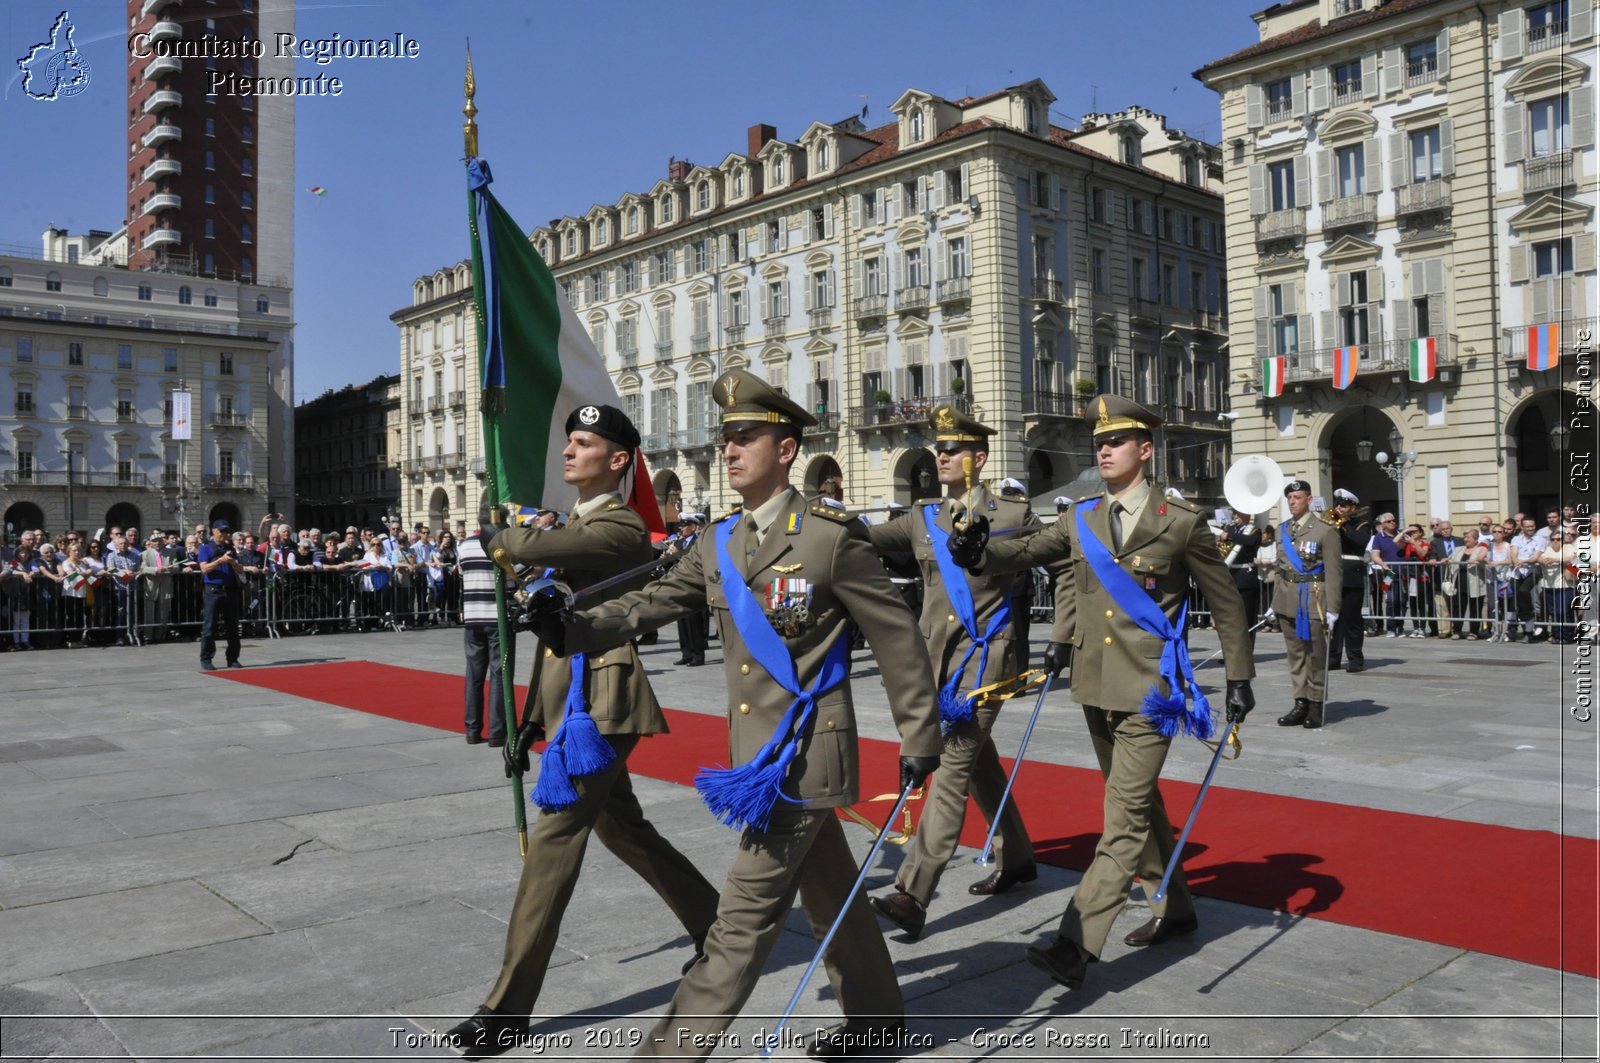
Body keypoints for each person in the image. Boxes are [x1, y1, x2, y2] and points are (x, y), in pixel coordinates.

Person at [533, 371, 941, 1060]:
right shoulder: (720, 542)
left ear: (785, 450)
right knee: (828, 886)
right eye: (725, 438)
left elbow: (896, 634)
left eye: (745, 437)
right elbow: (649, 604)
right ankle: (877, 1017)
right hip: (754, 754)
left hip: (805, 755)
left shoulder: (828, 537)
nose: (729, 449)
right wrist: (571, 625)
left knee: (738, 924)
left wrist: (919, 731)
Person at [945, 395, 1255, 993]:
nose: (1103, 448)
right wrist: (978, 550)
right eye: (1100, 441)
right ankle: (1180, 908)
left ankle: (1075, 941)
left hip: (1152, 690)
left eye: (1116, 441)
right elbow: (1027, 551)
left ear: (1145, 449)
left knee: (1122, 819)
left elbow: (1226, 602)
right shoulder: (1081, 516)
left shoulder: (1180, 520)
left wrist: (1239, 676)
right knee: (1139, 805)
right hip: (1094, 684)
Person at [445, 404, 720, 1059]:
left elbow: (530, 552)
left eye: (584, 442)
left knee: (556, 838)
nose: (568, 451)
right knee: (625, 829)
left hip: (603, 700)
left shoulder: (621, 525)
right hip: (571, 703)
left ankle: (507, 1006)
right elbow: (551, 632)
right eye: (568, 439)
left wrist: (498, 530)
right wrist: (532, 720)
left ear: (619, 460)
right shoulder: (573, 523)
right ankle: (721, 927)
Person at [862, 403, 1046, 941]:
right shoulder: (923, 517)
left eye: (952, 450)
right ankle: (1017, 856)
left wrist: (1064, 636)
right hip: (936, 661)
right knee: (978, 763)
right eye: (938, 449)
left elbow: (1060, 559)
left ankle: (913, 892)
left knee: (948, 770)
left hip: (985, 662)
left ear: (978, 458)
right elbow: (867, 540)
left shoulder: (1012, 515)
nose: (940, 456)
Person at [1271, 482, 1344, 728]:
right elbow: (1280, 569)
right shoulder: (1282, 530)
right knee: (1295, 655)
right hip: (1287, 599)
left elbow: (1334, 571)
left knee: (1315, 654)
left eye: (1298, 497)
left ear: (1309, 500)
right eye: (1289, 497)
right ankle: (1300, 702)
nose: (1292, 501)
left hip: (1314, 599)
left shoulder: (1325, 530)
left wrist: (1333, 607)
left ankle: (1316, 704)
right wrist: (1274, 603)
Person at [455, 526, 510, 746]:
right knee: (498, 674)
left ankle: (472, 729)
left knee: (474, 675)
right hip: (496, 616)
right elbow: (516, 576)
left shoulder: (465, 545)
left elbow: (461, 573)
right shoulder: (501, 544)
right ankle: (497, 732)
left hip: (472, 616)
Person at [1326, 489, 1371, 671]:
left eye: (1343, 505)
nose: (1339, 508)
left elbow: (1360, 542)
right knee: (1333, 620)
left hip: (1352, 577)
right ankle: (1333, 658)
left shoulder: (1362, 525)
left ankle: (1355, 659)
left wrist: (1342, 525)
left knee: (1352, 620)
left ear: (1353, 507)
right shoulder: (1331, 524)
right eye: (1337, 504)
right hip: (1333, 575)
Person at [197, 519, 242, 671]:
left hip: (230, 590)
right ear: (214, 531)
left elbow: (239, 569)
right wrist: (220, 561)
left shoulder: (230, 548)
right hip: (213, 590)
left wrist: (234, 564)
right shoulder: (205, 548)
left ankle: (233, 658)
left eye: (226, 531)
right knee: (209, 625)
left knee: (233, 626)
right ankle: (206, 658)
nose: (225, 534)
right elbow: (204, 569)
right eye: (221, 531)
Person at [667, 513, 708, 666]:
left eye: (684, 526)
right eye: (680, 526)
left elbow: (693, 564)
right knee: (682, 622)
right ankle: (686, 653)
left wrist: (677, 555)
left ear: (692, 527)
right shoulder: (678, 542)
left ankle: (698, 655)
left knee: (694, 622)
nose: (681, 529)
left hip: (693, 586)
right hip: (678, 585)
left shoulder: (697, 542)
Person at [1218, 508, 1263, 642]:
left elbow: (1250, 541)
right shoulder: (1230, 529)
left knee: (1247, 616)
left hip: (1246, 578)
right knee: (1230, 617)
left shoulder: (1255, 531)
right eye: (1234, 513)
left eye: (1239, 513)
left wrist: (1229, 536)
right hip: (1230, 577)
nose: (1236, 516)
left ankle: (1247, 650)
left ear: (1247, 515)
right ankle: (1232, 651)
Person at [1368, 513, 1404, 636]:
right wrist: (1383, 564)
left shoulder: (1401, 533)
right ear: (1383, 525)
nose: (1392, 522)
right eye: (1389, 521)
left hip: (1404, 572)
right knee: (1391, 600)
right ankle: (1391, 628)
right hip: (1389, 573)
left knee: (1402, 601)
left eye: (1394, 520)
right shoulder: (1378, 537)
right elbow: (1374, 555)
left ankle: (1400, 627)